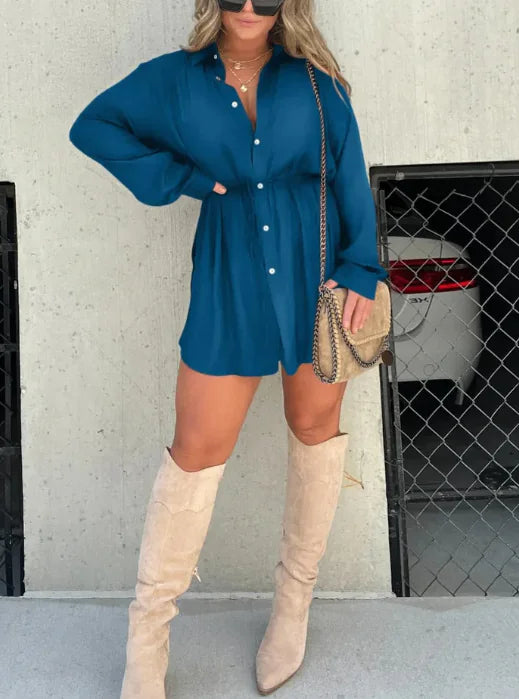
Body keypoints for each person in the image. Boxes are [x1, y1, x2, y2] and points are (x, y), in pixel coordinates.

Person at [68, 1, 388, 696]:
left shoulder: (315, 82)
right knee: (196, 450)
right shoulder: (174, 80)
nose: (248, 8)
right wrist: (180, 177)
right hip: (228, 272)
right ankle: (147, 640)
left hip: (316, 272)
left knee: (313, 430)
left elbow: (347, 171)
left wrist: (362, 267)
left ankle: (293, 607)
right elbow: (92, 126)